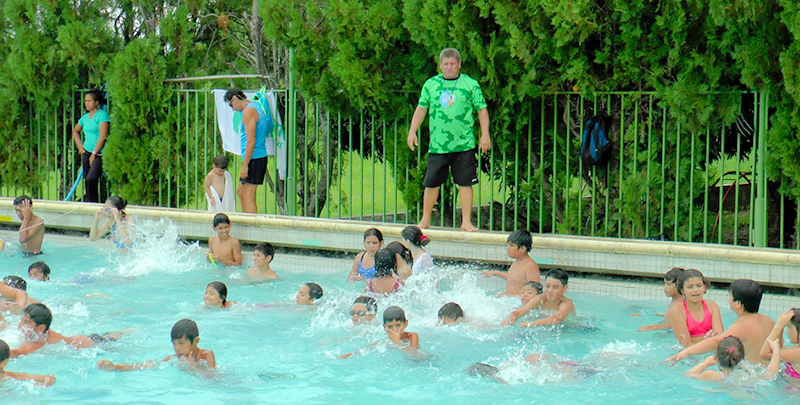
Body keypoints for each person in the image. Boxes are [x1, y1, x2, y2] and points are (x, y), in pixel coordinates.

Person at [406, 47, 491, 232]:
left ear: (459, 64)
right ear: (440, 65)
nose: (450, 67)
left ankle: (466, 222)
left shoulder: (470, 84)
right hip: (438, 146)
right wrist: (412, 131)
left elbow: (482, 110)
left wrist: (485, 134)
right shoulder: (431, 85)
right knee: (431, 183)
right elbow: (421, 109)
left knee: (465, 183)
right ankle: (425, 219)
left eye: (453, 64)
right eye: (446, 64)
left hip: (464, 144)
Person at [665, 279, 772, 365]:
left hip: (752, 377)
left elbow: (717, 342)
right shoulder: (768, 321)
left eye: (730, 295)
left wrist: (686, 352)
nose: (728, 298)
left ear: (738, 303)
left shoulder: (741, 325)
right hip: (767, 370)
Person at [97, 319, 215, 375]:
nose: (176, 348)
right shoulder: (174, 358)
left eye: (181, 343)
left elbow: (212, 378)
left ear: (195, 341)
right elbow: (148, 366)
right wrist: (116, 367)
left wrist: (192, 366)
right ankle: (116, 368)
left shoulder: (206, 355)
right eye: (174, 344)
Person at [10, 304, 131, 357]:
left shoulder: (38, 342)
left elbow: (16, 353)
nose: (20, 325)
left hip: (94, 345)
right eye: (21, 320)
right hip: (83, 339)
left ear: (41, 328)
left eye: (26, 322)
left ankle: (124, 332)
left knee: (110, 340)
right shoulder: (41, 331)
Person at [224, 88, 270, 213]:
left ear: (235, 99)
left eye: (231, 105)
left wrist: (245, 165)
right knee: (241, 192)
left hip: (254, 157)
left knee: (247, 195)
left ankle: (252, 227)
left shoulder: (248, 111)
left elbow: (251, 140)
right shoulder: (255, 107)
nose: (233, 109)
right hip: (254, 157)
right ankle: (247, 221)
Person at [663, 269, 724, 348]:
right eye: (689, 287)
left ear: (704, 288)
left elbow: (720, 337)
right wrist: (708, 341)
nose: (695, 290)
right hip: (690, 354)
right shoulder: (677, 311)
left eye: (699, 286)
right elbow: (685, 344)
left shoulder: (712, 306)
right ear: (682, 291)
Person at [71, 88, 110, 203]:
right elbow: (75, 131)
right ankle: (90, 203)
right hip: (86, 152)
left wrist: (94, 153)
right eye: (85, 101)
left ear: (96, 102)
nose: (86, 103)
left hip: (99, 153)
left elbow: (103, 136)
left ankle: (95, 203)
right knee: (87, 180)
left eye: (89, 101)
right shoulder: (85, 117)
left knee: (92, 178)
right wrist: (80, 146)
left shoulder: (102, 116)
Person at [684, 336, 781, 381]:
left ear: (716, 357)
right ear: (744, 357)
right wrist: (776, 351)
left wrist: (704, 364)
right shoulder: (750, 376)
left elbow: (689, 375)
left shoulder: (711, 376)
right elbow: (771, 375)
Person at [501, 269, 575, 327]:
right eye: (548, 286)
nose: (550, 291)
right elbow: (519, 312)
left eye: (555, 287)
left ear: (565, 289)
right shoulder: (540, 299)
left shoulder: (566, 303)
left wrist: (533, 323)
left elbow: (557, 319)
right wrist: (512, 318)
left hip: (567, 328)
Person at [482, 230, 540, 296]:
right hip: (509, 300)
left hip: (518, 303)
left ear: (522, 249)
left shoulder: (530, 265)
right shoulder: (517, 262)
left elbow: (535, 291)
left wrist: (508, 295)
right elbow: (513, 278)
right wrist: (495, 273)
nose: (508, 248)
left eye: (511, 246)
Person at [759, 308, 800, 387]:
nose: (787, 331)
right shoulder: (796, 350)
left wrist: (779, 326)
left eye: (789, 327)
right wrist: (781, 327)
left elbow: (764, 354)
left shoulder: (797, 353)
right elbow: (776, 348)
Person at [638, 267, 685, 332]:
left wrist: (653, 327)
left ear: (679, 286)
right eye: (665, 283)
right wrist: (647, 315)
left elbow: (676, 324)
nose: (665, 287)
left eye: (668, 284)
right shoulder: (675, 301)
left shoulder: (681, 304)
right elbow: (670, 317)